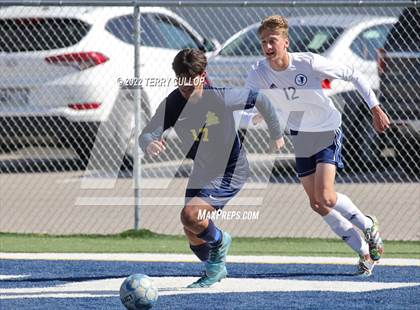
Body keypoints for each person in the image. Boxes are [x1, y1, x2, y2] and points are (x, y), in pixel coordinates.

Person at [245, 15, 390, 276]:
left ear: (285, 42)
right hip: (301, 134)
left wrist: (375, 107)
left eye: (273, 41)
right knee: (317, 204)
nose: (267, 47)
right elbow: (246, 103)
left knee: (326, 195)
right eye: (263, 42)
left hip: (326, 129)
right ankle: (364, 253)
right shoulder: (258, 72)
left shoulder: (307, 62)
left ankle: (367, 224)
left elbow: (354, 75)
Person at [139, 48, 284, 287]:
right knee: (192, 230)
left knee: (191, 216)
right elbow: (148, 133)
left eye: (190, 78)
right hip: (202, 171)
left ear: (202, 75)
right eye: (180, 78)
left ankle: (220, 243)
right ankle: (215, 267)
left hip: (230, 170)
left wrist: (275, 132)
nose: (184, 84)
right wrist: (150, 143)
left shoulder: (219, 97)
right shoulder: (174, 103)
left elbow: (261, 98)